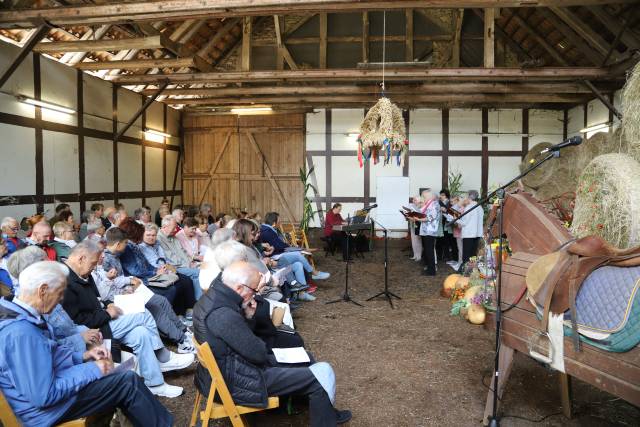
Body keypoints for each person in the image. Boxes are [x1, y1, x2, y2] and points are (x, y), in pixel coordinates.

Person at [0, 261, 174, 427]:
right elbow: (43, 396)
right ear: (43, 290)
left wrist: (83, 356)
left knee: (124, 379)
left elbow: (48, 359)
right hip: (47, 413)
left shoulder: (23, 317)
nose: (61, 299)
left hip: (53, 401)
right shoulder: (20, 333)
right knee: (127, 383)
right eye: (59, 293)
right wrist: (94, 369)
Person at [193, 261, 351, 427]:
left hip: (231, 371)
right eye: (253, 290)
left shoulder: (215, 296)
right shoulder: (223, 315)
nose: (254, 296)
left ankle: (322, 410)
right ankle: (324, 416)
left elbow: (242, 342)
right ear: (239, 288)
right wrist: (251, 320)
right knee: (318, 379)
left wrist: (249, 317)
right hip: (240, 382)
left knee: (306, 357)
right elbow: (259, 354)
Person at [62, 241, 194, 398]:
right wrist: (107, 313)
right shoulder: (65, 281)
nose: (94, 267)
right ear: (81, 258)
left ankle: (155, 384)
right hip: (95, 331)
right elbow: (78, 321)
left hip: (104, 320)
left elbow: (97, 300)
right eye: (93, 263)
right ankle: (162, 356)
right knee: (143, 313)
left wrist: (110, 304)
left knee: (141, 333)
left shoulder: (82, 273)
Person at [99, 228, 195, 354]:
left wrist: (129, 284)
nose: (126, 246)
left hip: (126, 291)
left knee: (161, 300)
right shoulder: (106, 259)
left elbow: (116, 280)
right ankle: (181, 341)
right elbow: (108, 286)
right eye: (125, 243)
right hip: (117, 299)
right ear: (118, 244)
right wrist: (128, 285)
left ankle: (182, 331)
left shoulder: (114, 255)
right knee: (154, 308)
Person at [6, 246, 100, 354]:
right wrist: (81, 339)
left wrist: (86, 331)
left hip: (78, 350)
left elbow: (70, 326)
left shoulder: (49, 293)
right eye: (46, 261)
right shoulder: (35, 303)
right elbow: (49, 348)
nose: (51, 262)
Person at [118, 218, 196, 317]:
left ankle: (183, 312)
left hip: (153, 273)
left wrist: (158, 270)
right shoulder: (132, 247)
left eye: (154, 235)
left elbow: (147, 264)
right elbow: (136, 271)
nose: (151, 237)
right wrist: (156, 272)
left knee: (184, 280)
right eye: (148, 235)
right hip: (140, 280)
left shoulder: (135, 246)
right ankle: (170, 316)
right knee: (173, 288)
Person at [260, 212, 330, 281]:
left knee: (298, 264)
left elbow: (279, 245)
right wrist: (290, 247)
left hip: (278, 253)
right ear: (274, 223)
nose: (280, 223)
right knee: (298, 254)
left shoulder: (268, 230)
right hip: (275, 257)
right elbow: (279, 246)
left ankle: (302, 291)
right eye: (279, 221)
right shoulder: (267, 232)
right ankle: (314, 273)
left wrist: (290, 247)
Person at [157, 215, 203, 299]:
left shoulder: (173, 237)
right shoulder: (159, 239)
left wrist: (191, 262)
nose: (176, 230)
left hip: (184, 264)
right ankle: (198, 301)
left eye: (176, 227)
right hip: (174, 268)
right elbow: (171, 259)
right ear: (164, 227)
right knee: (199, 273)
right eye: (173, 228)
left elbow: (184, 252)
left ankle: (197, 301)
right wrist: (188, 265)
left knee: (200, 272)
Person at [411, 191, 441, 276]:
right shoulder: (428, 203)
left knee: (429, 250)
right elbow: (422, 213)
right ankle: (428, 267)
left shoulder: (434, 204)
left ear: (429, 196)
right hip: (425, 230)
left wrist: (418, 219)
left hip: (430, 230)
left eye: (424, 196)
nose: (423, 198)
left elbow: (430, 217)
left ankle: (431, 271)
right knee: (427, 250)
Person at [455, 190, 484, 269]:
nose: (465, 199)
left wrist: (455, 218)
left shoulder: (469, 207)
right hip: (477, 234)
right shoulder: (480, 207)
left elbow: (464, 222)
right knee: (473, 255)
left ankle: (465, 272)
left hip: (469, 234)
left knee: (466, 256)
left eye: (465, 197)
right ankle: (472, 271)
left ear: (468, 197)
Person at [437, 189, 458, 263]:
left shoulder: (450, 203)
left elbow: (454, 213)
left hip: (451, 225)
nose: (441, 196)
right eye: (441, 195)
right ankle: (446, 256)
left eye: (443, 195)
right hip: (444, 224)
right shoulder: (439, 202)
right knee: (445, 241)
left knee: (452, 242)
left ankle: (454, 258)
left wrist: (446, 210)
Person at [408, 196, 423, 261]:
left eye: (415, 200)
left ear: (419, 201)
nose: (413, 201)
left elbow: (421, 217)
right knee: (413, 240)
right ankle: (415, 255)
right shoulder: (412, 206)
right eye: (413, 200)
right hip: (412, 225)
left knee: (418, 241)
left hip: (418, 225)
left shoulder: (421, 207)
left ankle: (419, 256)